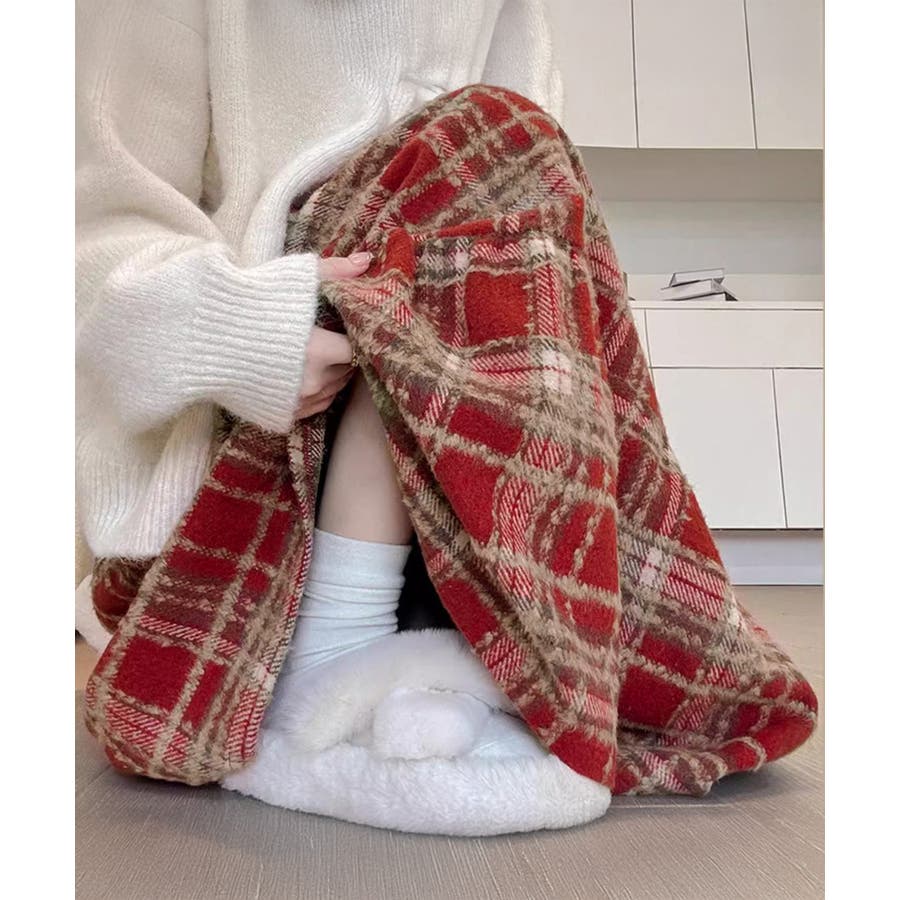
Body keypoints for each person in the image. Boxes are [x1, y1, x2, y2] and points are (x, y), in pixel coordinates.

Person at [75, 1, 564, 674]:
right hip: (256, 418)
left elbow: (532, 193)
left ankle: (418, 636)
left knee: (507, 151)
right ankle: (332, 645)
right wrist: (243, 330)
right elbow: (87, 225)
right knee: (476, 137)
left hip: (453, 441)